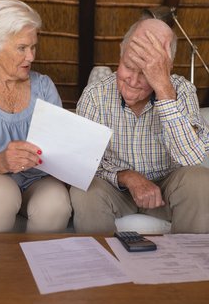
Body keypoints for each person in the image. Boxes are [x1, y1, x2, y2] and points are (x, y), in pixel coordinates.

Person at [70, 18, 209, 234]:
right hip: (116, 189)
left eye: (145, 72)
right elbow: (83, 162)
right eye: (128, 66)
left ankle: (187, 266)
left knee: (200, 180)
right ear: (120, 53)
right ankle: (99, 265)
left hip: (166, 190)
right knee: (84, 190)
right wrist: (127, 177)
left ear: (165, 67)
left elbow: (192, 157)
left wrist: (163, 89)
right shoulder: (95, 95)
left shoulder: (182, 90)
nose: (133, 80)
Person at [0, 0, 72, 232]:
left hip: (35, 179)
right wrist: (4, 160)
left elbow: (61, 146)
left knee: (55, 201)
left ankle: (37, 268)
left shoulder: (44, 86)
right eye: (22, 48)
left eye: (33, 47)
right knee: (2, 193)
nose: (31, 57)